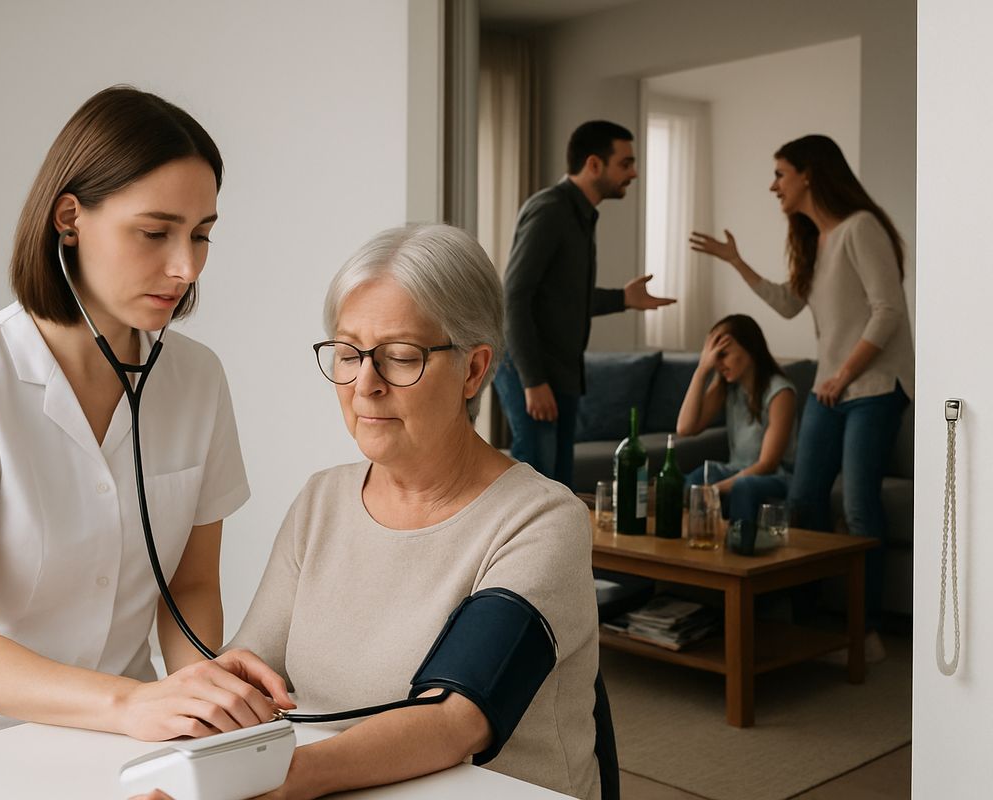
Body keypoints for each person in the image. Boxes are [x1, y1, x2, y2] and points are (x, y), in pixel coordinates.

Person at [0, 87, 292, 770]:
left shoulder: (197, 379)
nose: (187, 267)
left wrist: (204, 682)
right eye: (155, 232)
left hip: (105, 747)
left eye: (200, 235)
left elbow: (190, 584)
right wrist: (130, 704)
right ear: (70, 218)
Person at [224, 224, 601, 799]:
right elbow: (248, 671)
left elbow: (454, 719)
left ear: (473, 370)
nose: (364, 385)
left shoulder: (541, 521)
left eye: (400, 358)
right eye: (348, 354)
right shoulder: (321, 501)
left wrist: (280, 782)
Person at [690, 134, 913, 651]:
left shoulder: (861, 228)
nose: (774, 186)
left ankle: (868, 628)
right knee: (804, 496)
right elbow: (790, 305)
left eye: (780, 174)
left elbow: (888, 312)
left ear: (809, 173)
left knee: (858, 505)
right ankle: (811, 621)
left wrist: (840, 376)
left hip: (875, 387)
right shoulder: (817, 240)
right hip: (834, 387)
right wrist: (736, 261)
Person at [495, 120, 675, 489]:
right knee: (537, 485)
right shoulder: (551, 210)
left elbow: (562, 298)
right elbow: (513, 296)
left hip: (560, 371)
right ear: (594, 164)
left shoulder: (580, 215)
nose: (634, 172)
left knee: (557, 489)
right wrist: (534, 381)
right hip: (532, 367)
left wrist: (623, 299)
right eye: (626, 163)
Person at [676, 314, 798, 524]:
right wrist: (702, 369)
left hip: (776, 475)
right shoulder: (728, 387)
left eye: (723, 354)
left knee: (743, 487)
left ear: (749, 347)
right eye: (714, 356)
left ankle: (740, 549)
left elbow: (768, 463)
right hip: (736, 470)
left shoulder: (780, 392)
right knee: (692, 480)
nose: (718, 363)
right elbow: (685, 428)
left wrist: (716, 489)